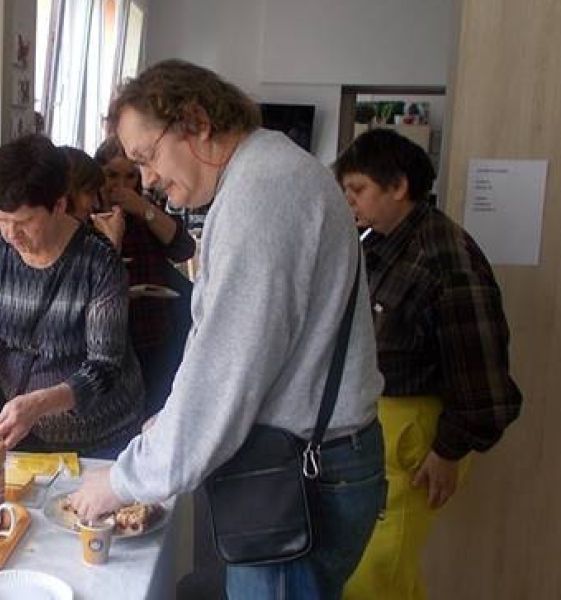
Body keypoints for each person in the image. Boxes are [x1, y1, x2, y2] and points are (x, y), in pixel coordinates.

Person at [68, 59, 386, 599]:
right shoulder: (269, 172)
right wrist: (169, 422)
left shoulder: (261, 195)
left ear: (195, 121)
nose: (146, 180)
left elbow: (225, 370)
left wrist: (122, 483)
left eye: (146, 157)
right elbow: (223, 340)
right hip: (314, 458)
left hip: (302, 472)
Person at [334, 128, 522, 600]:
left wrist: (448, 452)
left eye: (358, 190)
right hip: (379, 423)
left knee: (374, 573)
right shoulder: (381, 243)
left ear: (398, 186)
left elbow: (488, 385)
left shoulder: (444, 258)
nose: (349, 202)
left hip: (417, 436)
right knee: (382, 573)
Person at [0, 134, 144, 459]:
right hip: (15, 431)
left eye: (23, 222)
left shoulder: (98, 261)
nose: (10, 235)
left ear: (58, 205)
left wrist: (39, 403)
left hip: (96, 439)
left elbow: (103, 367)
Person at [92, 136, 196, 418]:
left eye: (130, 176)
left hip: (153, 327)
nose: (121, 185)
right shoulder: (87, 216)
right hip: (107, 336)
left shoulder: (146, 211)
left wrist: (143, 209)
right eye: (112, 175)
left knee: (156, 411)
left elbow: (183, 248)